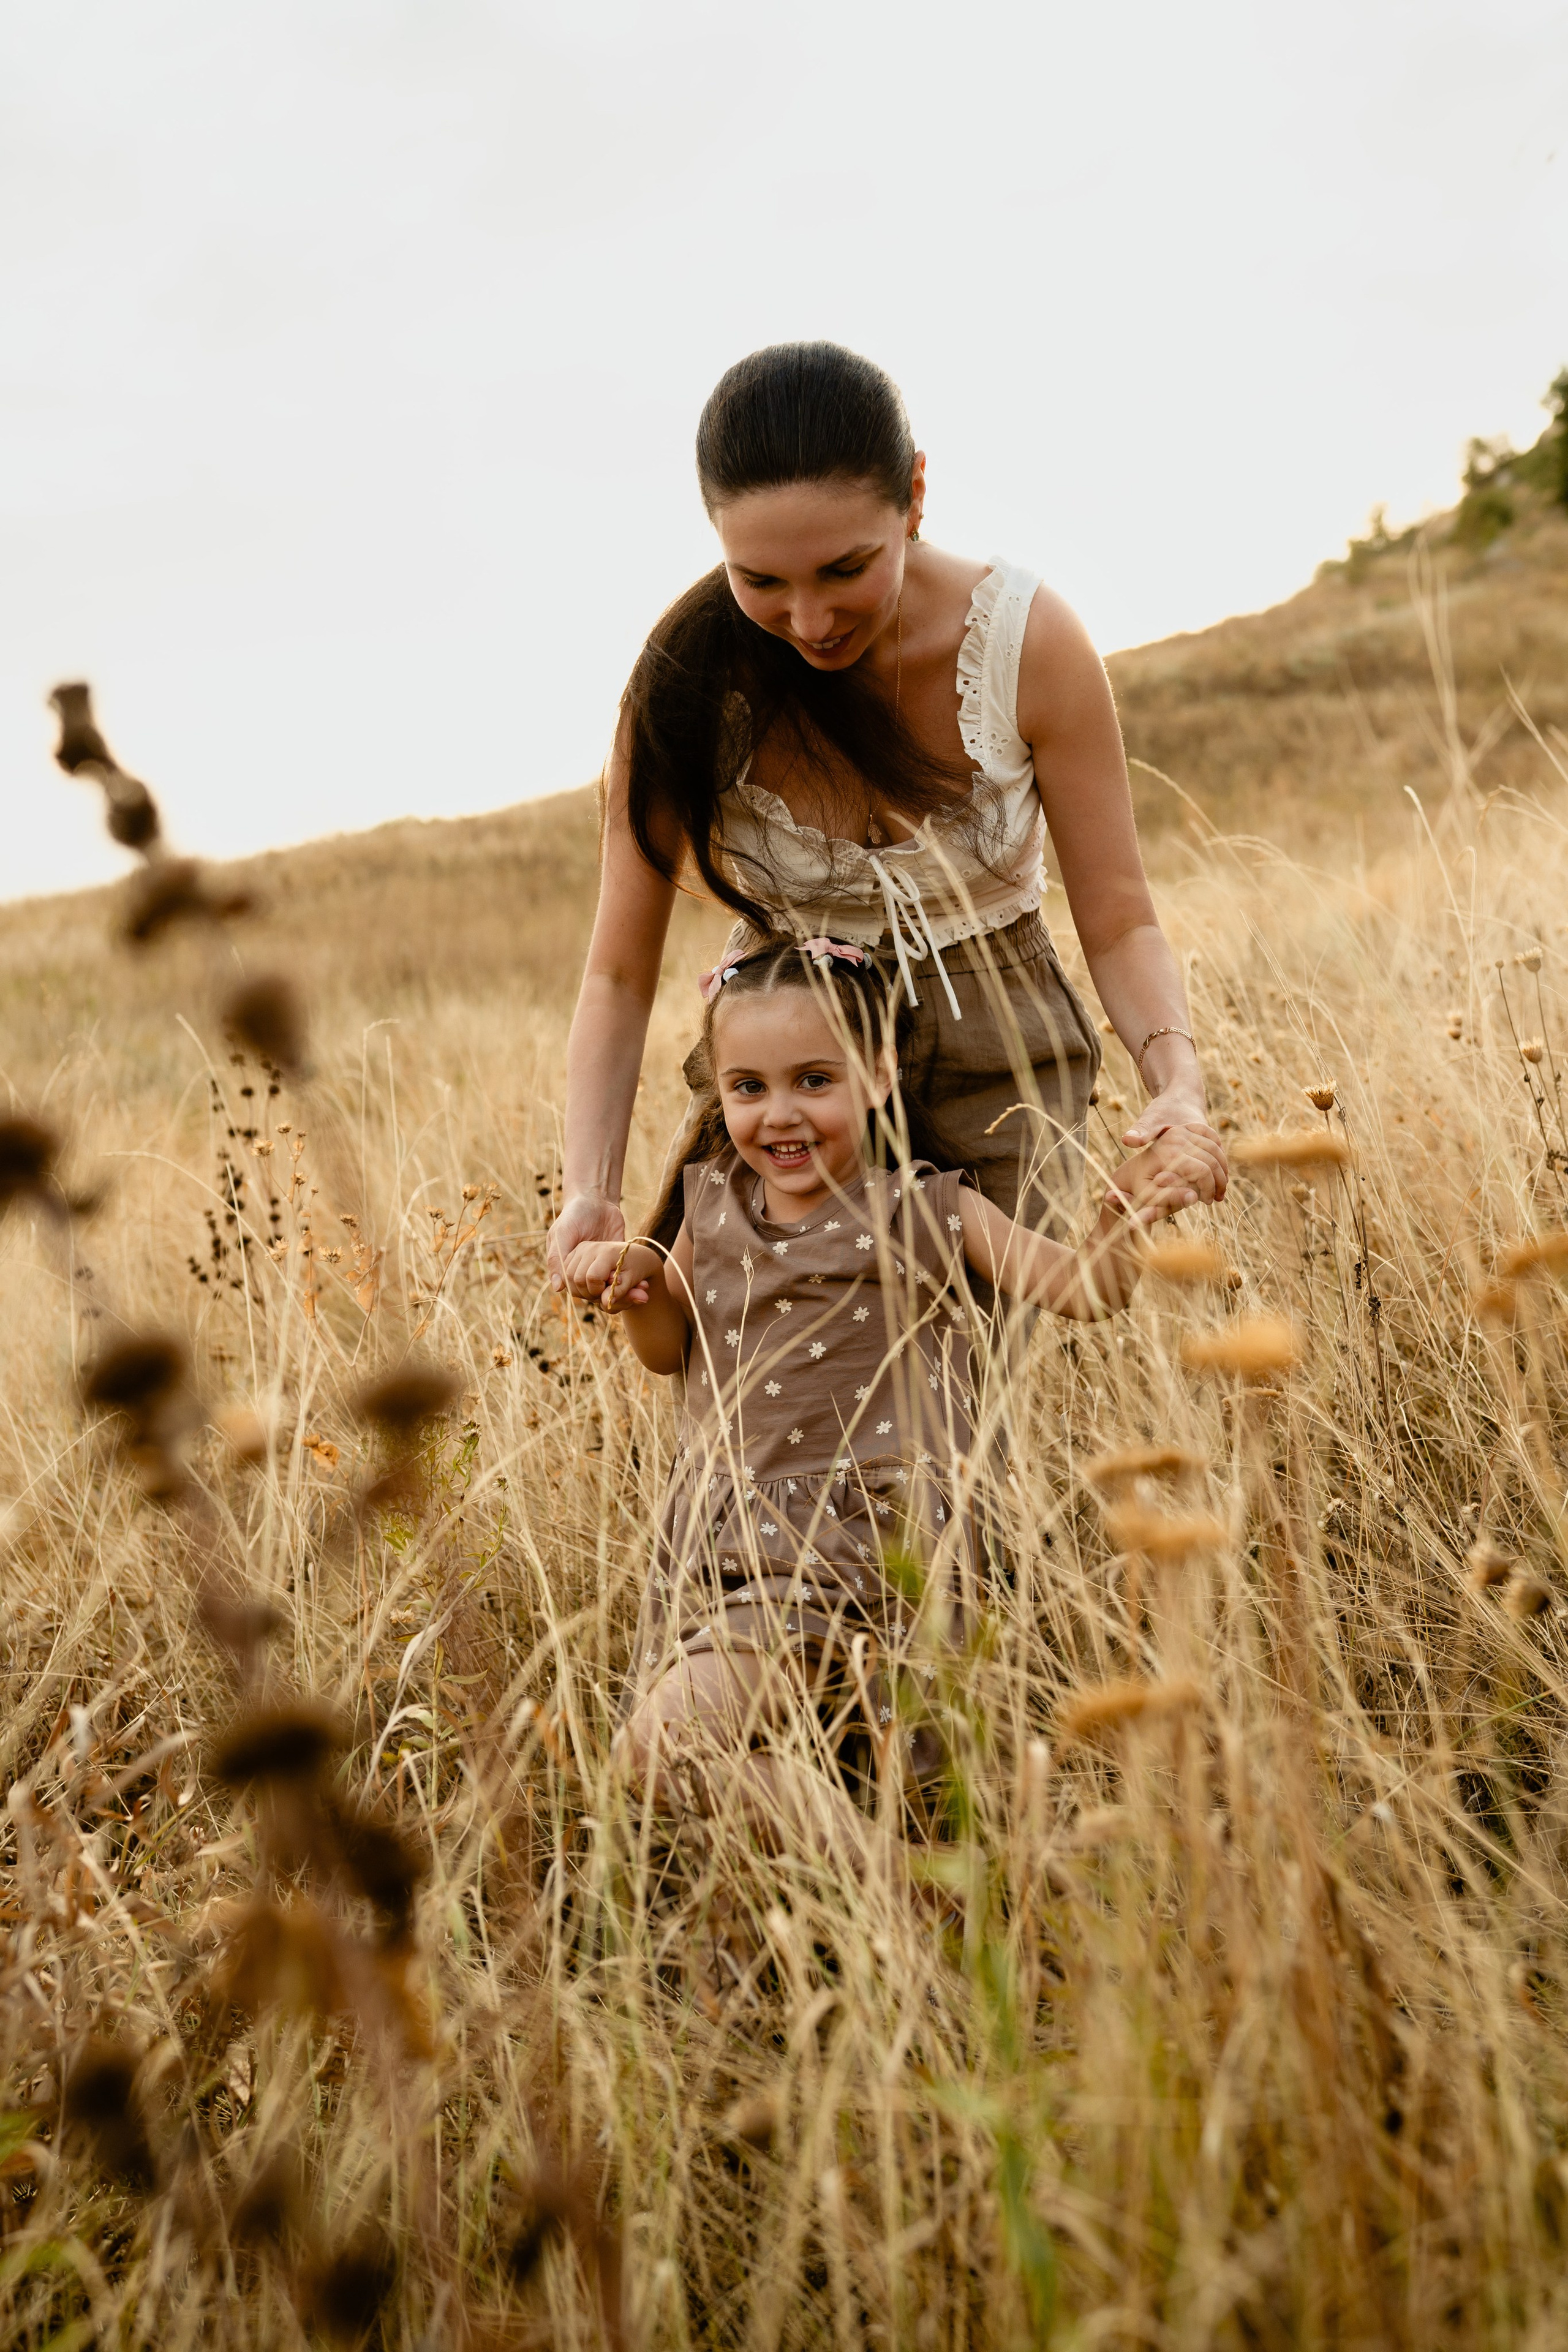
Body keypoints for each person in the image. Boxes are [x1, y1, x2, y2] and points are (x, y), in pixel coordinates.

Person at [547, 339, 1226, 1298]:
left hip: (1000, 1067)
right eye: (763, 581)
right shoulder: (686, 688)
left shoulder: (1027, 644)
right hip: (782, 1069)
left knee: (965, 1407)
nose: (811, 619)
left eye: (844, 568)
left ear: (913, 492)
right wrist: (591, 1188)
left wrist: (1176, 1084)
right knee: (759, 1389)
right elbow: (618, 976)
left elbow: (1119, 918)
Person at [562, 939, 1223, 1858]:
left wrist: (1121, 1216)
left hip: (872, 1546)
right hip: (727, 1545)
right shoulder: (709, 1209)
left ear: (876, 1077)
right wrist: (637, 1284)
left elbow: (1083, 1291)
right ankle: (924, 1893)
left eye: (813, 1081)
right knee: (792, 1775)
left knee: (659, 1750)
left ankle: (903, 1897)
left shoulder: (927, 1208)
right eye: (748, 1087)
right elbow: (673, 1350)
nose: (779, 1114)